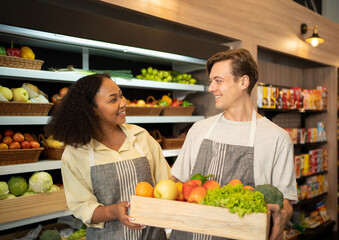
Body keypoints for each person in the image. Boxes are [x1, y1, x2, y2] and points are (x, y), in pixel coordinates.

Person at [169, 49, 297, 240]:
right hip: (190, 234)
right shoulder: (199, 129)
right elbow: (176, 182)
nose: (211, 87)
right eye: (211, 81)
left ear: (243, 82)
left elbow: (285, 201)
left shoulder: (277, 138)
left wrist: (282, 216)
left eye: (218, 81)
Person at [45, 73, 170, 240]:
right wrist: (113, 211)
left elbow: (166, 183)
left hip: (152, 235)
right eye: (113, 100)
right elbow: (82, 207)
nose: (123, 103)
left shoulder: (141, 137)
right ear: (92, 110)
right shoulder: (75, 153)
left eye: (121, 95)